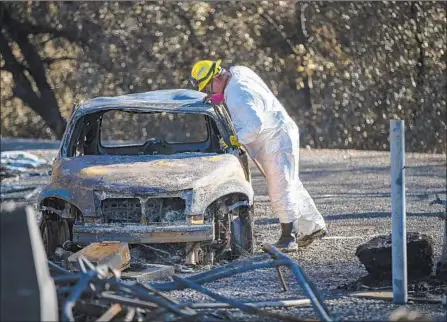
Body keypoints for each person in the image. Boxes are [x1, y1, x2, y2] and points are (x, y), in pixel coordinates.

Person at [189, 59, 327, 252]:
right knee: (291, 182)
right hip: (278, 132)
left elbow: (254, 126)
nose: (209, 92)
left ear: (217, 77)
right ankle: (313, 226)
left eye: (209, 87)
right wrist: (220, 98)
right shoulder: (237, 72)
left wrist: (233, 139)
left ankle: (289, 238)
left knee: (279, 188)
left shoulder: (238, 95)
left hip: (275, 140)